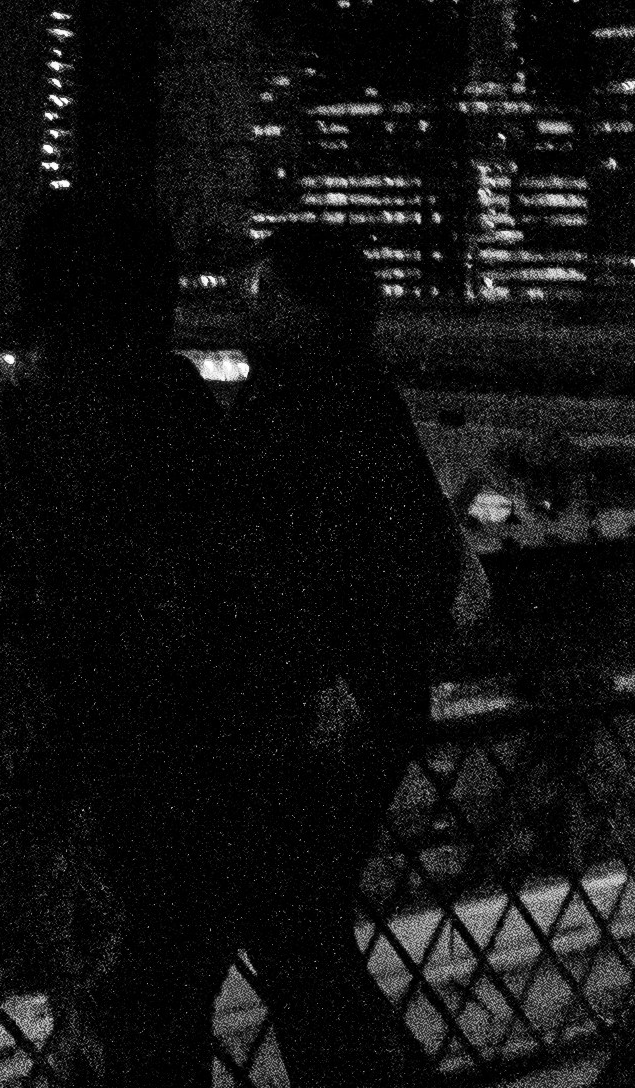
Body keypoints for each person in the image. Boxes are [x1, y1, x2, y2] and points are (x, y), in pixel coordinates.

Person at [0, 191, 258, 1083]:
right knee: (171, 1004)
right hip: (202, 742)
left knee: (115, 996)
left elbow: (39, 583)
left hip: (94, 745)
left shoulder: (29, 415)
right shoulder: (181, 404)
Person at [221, 231, 471, 1088]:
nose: (250, 305)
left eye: (266, 290)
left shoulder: (284, 403)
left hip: (318, 700)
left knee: (290, 924)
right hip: (380, 689)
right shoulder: (369, 394)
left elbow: (268, 559)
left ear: (305, 306)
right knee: (303, 922)